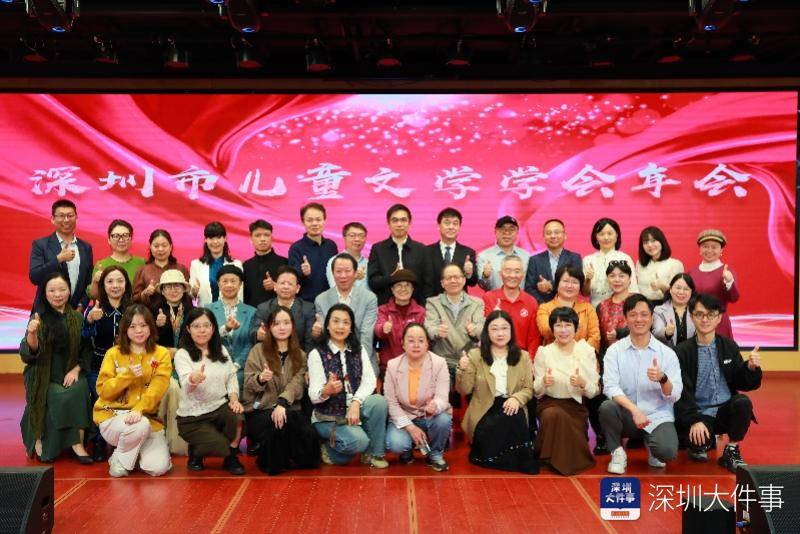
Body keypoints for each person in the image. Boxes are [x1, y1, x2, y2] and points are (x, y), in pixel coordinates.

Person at [674, 294, 762, 472]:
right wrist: (694, 420)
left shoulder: (729, 346)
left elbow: (742, 382)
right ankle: (700, 444)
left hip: (724, 410)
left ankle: (731, 449)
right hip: (700, 413)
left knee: (742, 402)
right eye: (699, 314)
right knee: (698, 444)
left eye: (710, 314)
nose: (705, 319)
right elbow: (681, 393)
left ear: (719, 318)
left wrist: (750, 368)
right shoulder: (682, 351)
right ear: (692, 317)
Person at [599, 294, 683, 474]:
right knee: (607, 407)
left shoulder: (666, 353)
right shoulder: (615, 351)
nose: (639, 319)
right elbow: (610, 387)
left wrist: (663, 379)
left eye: (644, 314)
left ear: (652, 318)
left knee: (667, 453)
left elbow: (675, 394)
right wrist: (635, 410)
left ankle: (652, 446)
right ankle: (617, 452)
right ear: (625, 318)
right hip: (627, 414)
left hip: (657, 415)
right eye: (633, 314)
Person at [20, 271, 93, 464]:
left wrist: (76, 369)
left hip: (70, 371)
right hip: (44, 374)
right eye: (52, 290)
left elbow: (87, 350)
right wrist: (32, 334)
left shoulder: (77, 318)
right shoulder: (38, 318)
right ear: (44, 293)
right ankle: (43, 440)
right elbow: (29, 352)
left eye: (62, 289)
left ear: (69, 291)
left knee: (79, 388)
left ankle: (78, 444)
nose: (57, 294)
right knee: (53, 394)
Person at [93, 305, 173, 477]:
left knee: (157, 468)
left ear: (151, 327)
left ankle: (130, 454)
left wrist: (139, 409)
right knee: (139, 426)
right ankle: (119, 459)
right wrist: (127, 376)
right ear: (125, 329)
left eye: (143, 325)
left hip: (148, 419)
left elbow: (157, 389)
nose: (139, 331)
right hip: (113, 417)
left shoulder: (161, 354)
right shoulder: (113, 353)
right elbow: (103, 390)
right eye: (133, 326)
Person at [307, 304, 389, 468]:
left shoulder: (359, 350)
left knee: (378, 402)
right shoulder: (317, 354)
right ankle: (327, 450)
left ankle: (374, 454)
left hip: (353, 411)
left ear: (351, 328)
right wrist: (326, 391)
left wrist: (356, 402)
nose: (340, 326)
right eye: (336, 321)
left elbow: (369, 380)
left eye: (346, 322)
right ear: (327, 325)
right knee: (358, 442)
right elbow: (313, 396)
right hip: (329, 417)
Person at [456, 310, 538, 474]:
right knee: (490, 430)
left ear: (511, 331)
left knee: (514, 417)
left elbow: (528, 389)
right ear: (487, 332)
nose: (500, 333)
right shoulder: (475, 355)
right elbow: (464, 389)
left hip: (511, 403)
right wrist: (462, 369)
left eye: (504, 328)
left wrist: (517, 398)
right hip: (484, 407)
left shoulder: (523, 356)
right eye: (494, 329)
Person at [242, 306, 319, 475]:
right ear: (269, 327)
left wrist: (282, 403)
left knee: (308, 439)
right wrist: (260, 379)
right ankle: (270, 460)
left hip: (289, 409)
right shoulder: (258, 351)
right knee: (280, 425)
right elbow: (247, 383)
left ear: (293, 326)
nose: (282, 327)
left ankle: (285, 455)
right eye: (276, 324)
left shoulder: (300, 355)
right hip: (261, 410)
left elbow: (297, 383)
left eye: (286, 323)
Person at [175, 308, 246, 475]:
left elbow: (231, 377)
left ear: (213, 328)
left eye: (206, 325)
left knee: (239, 418)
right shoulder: (182, 354)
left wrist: (234, 399)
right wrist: (193, 379)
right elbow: (186, 384)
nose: (202, 330)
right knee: (220, 447)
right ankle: (197, 452)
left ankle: (231, 458)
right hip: (193, 416)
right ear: (188, 329)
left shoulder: (221, 350)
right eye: (196, 326)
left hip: (218, 407)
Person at [533, 307, 600, 475]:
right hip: (549, 403)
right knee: (552, 414)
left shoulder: (586, 351)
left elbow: (594, 391)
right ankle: (551, 457)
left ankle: (558, 457)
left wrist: (583, 383)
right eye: (558, 325)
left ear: (576, 327)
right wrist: (543, 382)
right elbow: (536, 391)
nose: (563, 330)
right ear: (552, 329)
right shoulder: (544, 352)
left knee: (560, 418)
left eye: (568, 325)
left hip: (576, 407)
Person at [81, 265, 132, 461]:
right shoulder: (96, 308)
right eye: (110, 281)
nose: (115, 285)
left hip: (128, 367)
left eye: (120, 281)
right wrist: (90, 321)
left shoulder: (133, 309)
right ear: (103, 285)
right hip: (99, 367)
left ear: (126, 284)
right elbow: (84, 337)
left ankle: (125, 440)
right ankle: (98, 441)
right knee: (101, 400)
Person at [384, 323, 451, 471]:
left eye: (421, 340)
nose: (416, 345)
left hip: (429, 416)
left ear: (427, 343)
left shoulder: (439, 363)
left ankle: (435, 454)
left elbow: (442, 397)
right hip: (405, 416)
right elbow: (391, 403)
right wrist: (410, 427)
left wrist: (436, 405)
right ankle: (406, 451)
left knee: (443, 420)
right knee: (396, 444)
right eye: (411, 340)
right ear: (403, 344)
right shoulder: (393, 365)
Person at [149, 269, 194, 455]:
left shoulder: (193, 311)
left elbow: (199, 339)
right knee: (170, 388)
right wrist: (156, 326)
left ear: (184, 289)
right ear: (162, 290)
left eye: (177, 286)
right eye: (168, 287)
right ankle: (161, 438)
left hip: (187, 362)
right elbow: (145, 341)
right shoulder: (153, 311)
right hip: (160, 363)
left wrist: (180, 353)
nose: (173, 290)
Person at [315, 253, 379, 370]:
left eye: (347, 271)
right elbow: (326, 335)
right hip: (331, 359)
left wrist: (358, 363)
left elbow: (366, 336)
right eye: (338, 271)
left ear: (355, 273)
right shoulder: (321, 299)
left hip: (362, 357)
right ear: (332, 273)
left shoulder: (369, 298)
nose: (343, 276)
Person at [29, 199, 93, 312]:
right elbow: (35, 277)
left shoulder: (86, 247)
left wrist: (81, 306)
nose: (66, 220)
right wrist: (58, 259)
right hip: (45, 314)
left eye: (70, 215)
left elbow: (88, 282)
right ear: (53, 219)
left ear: (76, 218)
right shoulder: (41, 245)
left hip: (74, 315)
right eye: (61, 216)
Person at [424, 263, 485, 379]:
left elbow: (481, 328)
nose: (453, 281)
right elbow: (429, 328)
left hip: (469, 360)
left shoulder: (477, 303)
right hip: (442, 361)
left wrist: (474, 330)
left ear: (464, 280)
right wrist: (437, 331)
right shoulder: (433, 302)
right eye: (448, 278)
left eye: (456, 277)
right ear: (442, 283)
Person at [206, 265, 257, 396]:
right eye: (225, 281)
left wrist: (237, 365)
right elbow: (205, 338)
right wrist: (226, 328)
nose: (229, 285)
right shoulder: (208, 310)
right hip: (214, 367)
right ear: (218, 284)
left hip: (242, 370)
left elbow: (251, 342)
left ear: (240, 285)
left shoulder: (252, 312)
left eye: (233, 281)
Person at [368, 203, 433, 305]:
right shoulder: (378, 249)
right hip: (385, 308)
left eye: (403, 220)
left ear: (409, 222)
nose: (399, 224)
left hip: (416, 308)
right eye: (395, 220)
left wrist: (422, 307)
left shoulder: (421, 249)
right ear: (388, 223)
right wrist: (391, 278)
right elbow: (373, 282)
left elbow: (428, 283)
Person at [482, 255, 541, 356]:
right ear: (500, 274)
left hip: (521, 358)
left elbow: (534, 339)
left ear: (523, 275)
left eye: (517, 271)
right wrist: (492, 316)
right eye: (508, 271)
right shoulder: (488, 298)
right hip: (493, 356)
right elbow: (482, 332)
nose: (512, 275)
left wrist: (529, 361)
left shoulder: (531, 302)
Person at [251, 266, 317, 352]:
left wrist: (305, 359)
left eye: (290, 284)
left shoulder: (307, 309)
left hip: (298, 356)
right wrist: (258, 334)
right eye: (282, 283)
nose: (286, 287)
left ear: (297, 288)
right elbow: (254, 330)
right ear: (275, 286)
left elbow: (309, 342)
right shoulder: (264, 308)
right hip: (270, 355)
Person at [536, 265, 600, 353]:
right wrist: (573, 326)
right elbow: (546, 331)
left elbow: (595, 338)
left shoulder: (588, 308)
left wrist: (577, 354)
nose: (570, 286)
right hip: (553, 357)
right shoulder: (545, 308)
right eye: (565, 281)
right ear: (557, 283)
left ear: (580, 286)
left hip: (582, 357)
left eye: (575, 282)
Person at [687, 229, 739, 338]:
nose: (709, 250)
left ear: (721, 250)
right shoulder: (692, 272)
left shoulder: (727, 272)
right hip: (696, 323)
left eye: (714, 247)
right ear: (700, 249)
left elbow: (734, 298)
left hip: (718, 323)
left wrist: (729, 282)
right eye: (705, 246)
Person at [374, 269, 426, 377]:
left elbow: (425, 340)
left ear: (412, 289)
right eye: (399, 285)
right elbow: (378, 329)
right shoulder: (383, 310)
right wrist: (384, 329)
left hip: (415, 366)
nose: (403, 289)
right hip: (389, 366)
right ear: (392, 289)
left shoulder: (421, 312)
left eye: (407, 285)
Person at [583, 217, 639, 307]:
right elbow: (585, 293)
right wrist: (588, 279)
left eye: (610, 233)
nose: (606, 237)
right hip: (594, 308)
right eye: (601, 234)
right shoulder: (588, 260)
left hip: (621, 308)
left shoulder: (625, 258)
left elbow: (633, 289)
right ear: (596, 237)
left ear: (616, 236)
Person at [288, 202, 338, 302]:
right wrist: (303, 272)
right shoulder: (296, 248)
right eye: (310, 220)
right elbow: (291, 279)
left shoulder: (331, 246)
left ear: (324, 221)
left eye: (318, 219)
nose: (314, 223)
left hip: (331, 302)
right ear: (303, 222)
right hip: (307, 303)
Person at [524, 219, 582, 304]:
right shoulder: (534, 260)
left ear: (565, 235)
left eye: (557, 232)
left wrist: (551, 287)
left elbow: (576, 285)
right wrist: (544, 306)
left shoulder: (574, 258)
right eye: (548, 233)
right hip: (542, 308)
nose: (553, 236)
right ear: (543, 237)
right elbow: (529, 288)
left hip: (568, 307)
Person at [88, 219, 145, 300]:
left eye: (125, 235)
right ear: (109, 240)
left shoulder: (141, 263)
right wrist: (95, 282)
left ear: (131, 238)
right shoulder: (101, 265)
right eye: (116, 236)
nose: (121, 240)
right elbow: (94, 296)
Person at [189, 221, 243, 307]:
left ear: (225, 239)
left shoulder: (237, 264)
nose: (215, 242)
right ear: (206, 240)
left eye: (218, 237)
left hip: (229, 312)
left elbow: (240, 295)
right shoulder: (196, 264)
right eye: (211, 238)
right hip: (204, 312)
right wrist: (194, 292)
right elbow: (192, 296)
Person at [426, 207, 477, 297]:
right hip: (433, 301)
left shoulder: (468, 252)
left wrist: (469, 273)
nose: (451, 227)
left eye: (455, 223)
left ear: (459, 227)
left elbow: (473, 282)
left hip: (459, 302)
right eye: (447, 223)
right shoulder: (426, 252)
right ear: (438, 226)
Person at [132, 229, 189, 306]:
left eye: (164, 245)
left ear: (170, 247)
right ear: (150, 247)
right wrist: (145, 293)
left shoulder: (181, 269)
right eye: (156, 246)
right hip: (149, 312)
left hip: (178, 312)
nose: (160, 249)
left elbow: (188, 295)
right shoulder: (142, 270)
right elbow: (134, 298)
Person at [477, 216, 530, 292]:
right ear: (495, 232)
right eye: (502, 229)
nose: (507, 233)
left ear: (517, 232)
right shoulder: (484, 256)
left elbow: (530, 284)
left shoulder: (526, 256)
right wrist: (485, 276)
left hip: (520, 299)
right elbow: (483, 286)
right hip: (494, 299)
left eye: (511, 229)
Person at [241, 219, 288, 307]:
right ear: (251, 239)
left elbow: (294, 290)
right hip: (251, 313)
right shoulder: (246, 266)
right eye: (258, 235)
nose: (262, 239)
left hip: (278, 313)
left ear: (272, 238)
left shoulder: (285, 263)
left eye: (266, 235)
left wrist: (276, 286)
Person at [636, 226, 684, 304]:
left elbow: (679, 293)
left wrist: (662, 286)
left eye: (653, 241)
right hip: (642, 305)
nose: (650, 245)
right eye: (645, 242)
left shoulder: (675, 264)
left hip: (664, 305)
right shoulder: (640, 263)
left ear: (661, 241)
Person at [596, 261, 633, 354]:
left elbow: (645, 327)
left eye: (622, 276)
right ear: (607, 280)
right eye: (612, 276)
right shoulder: (601, 306)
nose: (617, 280)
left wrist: (619, 333)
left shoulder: (638, 301)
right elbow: (599, 339)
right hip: (608, 356)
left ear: (629, 279)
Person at [653, 274, 696, 348]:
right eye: (678, 288)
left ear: (691, 292)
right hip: (667, 353)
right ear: (670, 289)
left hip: (692, 353)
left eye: (686, 289)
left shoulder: (697, 311)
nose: (681, 292)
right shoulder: (659, 310)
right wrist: (666, 332)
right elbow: (656, 333)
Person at [326, 222, 369, 290]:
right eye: (352, 236)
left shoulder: (368, 263)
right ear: (344, 238)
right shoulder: (334, 261)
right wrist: (354, 278)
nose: (357, 239)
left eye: (361, 236)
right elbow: (335, 290)